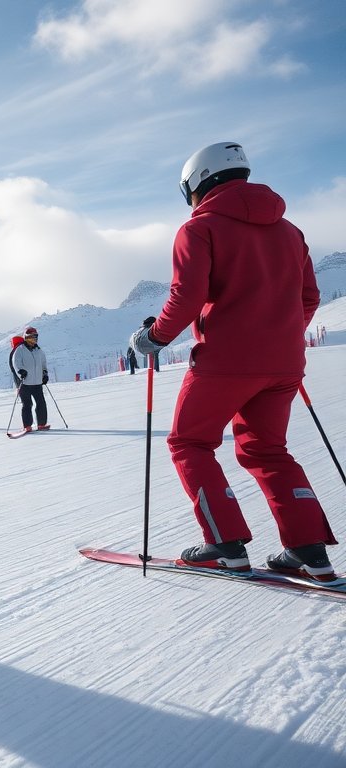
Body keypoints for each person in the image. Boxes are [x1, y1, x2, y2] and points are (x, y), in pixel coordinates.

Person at [129, 141, 336, 581]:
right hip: (283, 364)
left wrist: (153, 337)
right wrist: (277, 337)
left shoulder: (200, 228)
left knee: (189, 443)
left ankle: (224, 545)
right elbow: (309, 298)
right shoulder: (290, 231)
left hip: (224, 361)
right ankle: (307, 550)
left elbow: (186, 296)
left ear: (197, 183)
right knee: (268, 450)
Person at [12, 326, 50, 431]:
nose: (33, 339)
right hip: (25, 383)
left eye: (35, 337)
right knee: (27, 404)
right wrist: (21, 372)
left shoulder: (39, 351)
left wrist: (45, 374)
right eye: (31, 337)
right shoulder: (20, 350)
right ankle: (27, 426)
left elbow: (43, 364)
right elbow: (16, 364)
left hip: (37, 382)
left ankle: (41, 424)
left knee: (41, 402)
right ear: (26, 338)